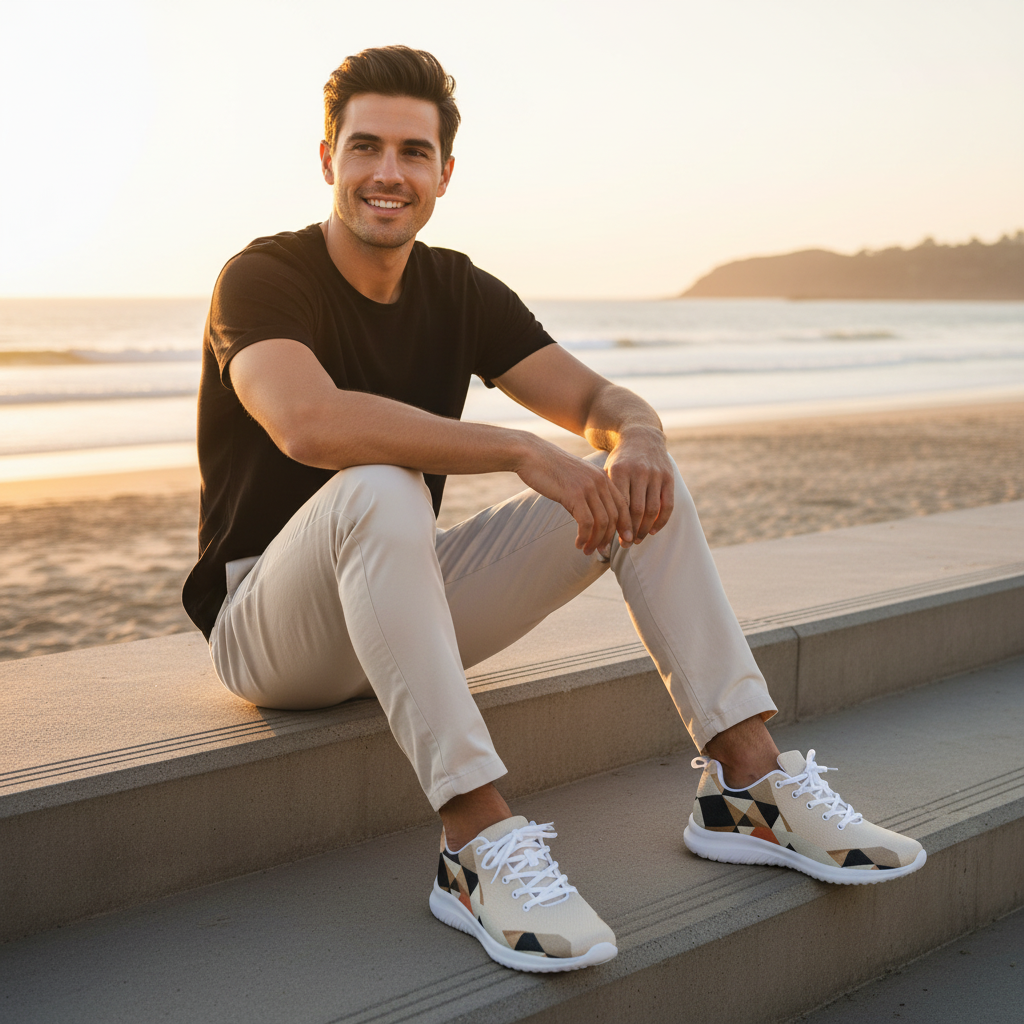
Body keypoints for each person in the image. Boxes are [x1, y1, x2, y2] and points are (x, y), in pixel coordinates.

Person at [182, 45, 926, 974]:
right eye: (365, 146)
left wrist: (640, 441)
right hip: (270, 631)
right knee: (378, 482)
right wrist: (521, 449)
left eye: (413, 153)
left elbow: (606, 403)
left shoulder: (457, 288)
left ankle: (751, 784)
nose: (387, 172)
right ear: (327, 157)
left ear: (444, 173)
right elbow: (308, 423)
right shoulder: (262, 277)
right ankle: (474, 841)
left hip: (400, 597)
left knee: (636, 481)